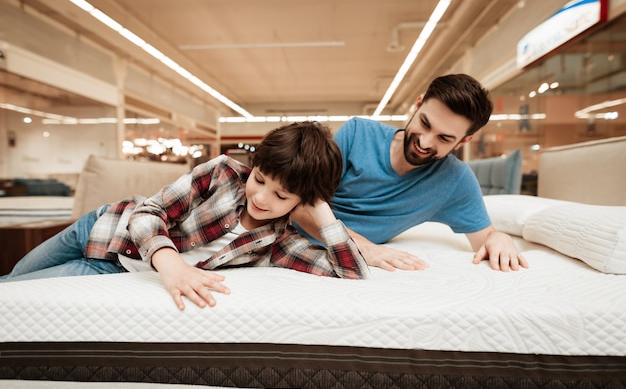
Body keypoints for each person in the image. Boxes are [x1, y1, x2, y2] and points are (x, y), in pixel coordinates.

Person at [1, 121, 369, 309]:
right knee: (16, 275)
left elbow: (350, 272)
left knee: (10, 295)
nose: (260, 196)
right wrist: (171, 264)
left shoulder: (278, 245)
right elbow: (149, 211)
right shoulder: (222, 173)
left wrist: (321, 211)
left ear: (300, 201)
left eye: (281, 195)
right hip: (99, 226)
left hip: (111, 265)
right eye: (259, 178)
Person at [292, 74, 528, 273]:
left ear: (464, 141)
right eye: (424, 123)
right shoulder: (357, 134)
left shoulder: (455, 181)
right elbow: (300, 205)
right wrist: (366, 247)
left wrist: (500, 238)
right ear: (418, 104)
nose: (424, 142)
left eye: (444, 138)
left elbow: (485, 237)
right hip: (292, 238)